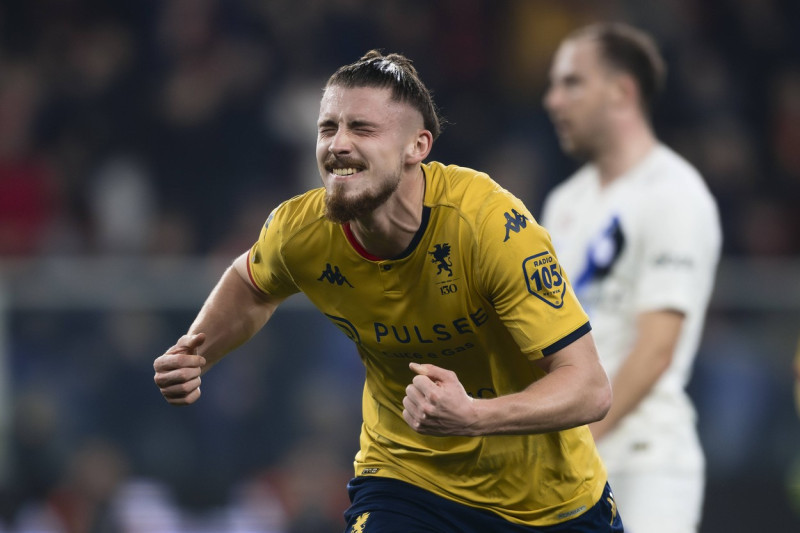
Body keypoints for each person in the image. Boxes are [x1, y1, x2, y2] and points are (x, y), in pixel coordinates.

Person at [154, 50, 623, 532]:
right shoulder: (301, 230)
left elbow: (588, 387)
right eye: (327, 128)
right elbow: (250, 284)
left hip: (548, 503)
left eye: (362, 128)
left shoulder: (489, 226)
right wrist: (197, 350)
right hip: (407, 482)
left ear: (417, 147)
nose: (337, 144)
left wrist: (473, 416)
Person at [541, 23, 722, 533]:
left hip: (645, 460)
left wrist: (578, 439)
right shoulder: (564, 202)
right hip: (567, 462)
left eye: (571, 83)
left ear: (622, 92)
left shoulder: (675, 193)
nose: (553, 100)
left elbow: (656, 349)